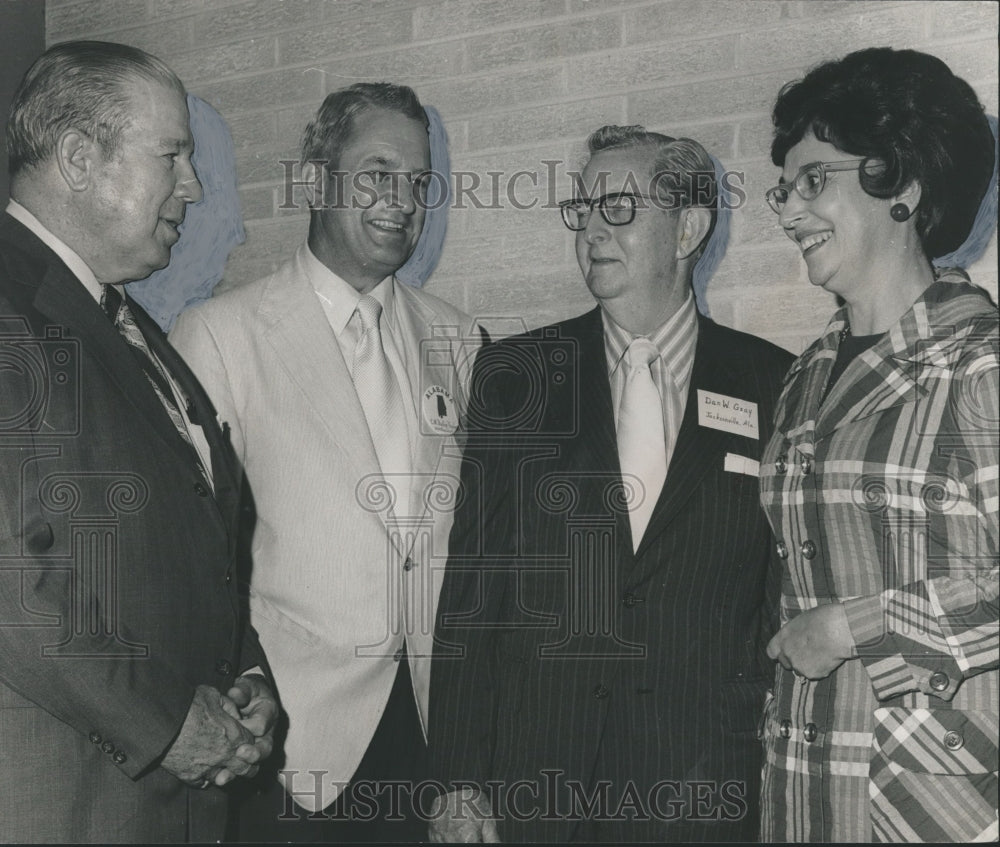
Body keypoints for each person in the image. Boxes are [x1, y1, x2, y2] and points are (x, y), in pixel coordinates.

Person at [427, 125, 793, 842]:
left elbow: (779, 594)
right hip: (537, 783)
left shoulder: (774, 382)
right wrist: (457, 778)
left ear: (688, 227)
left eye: (619, 209)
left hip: (703, 787)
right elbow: (473, 586)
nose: (592, 229)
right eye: (583, 210)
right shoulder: (518, 376)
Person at [169, 82, 485, 842]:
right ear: (314, 182)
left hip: (429, 740)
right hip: (289, 742)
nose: (402, 200)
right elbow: (191, 554)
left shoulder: (461, 340)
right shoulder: (219, 336)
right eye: (378, 173)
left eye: (417, 182)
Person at [0, 41, 276, 843]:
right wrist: (166, 724)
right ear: (79, 159)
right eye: (173, 155)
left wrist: (244, 673)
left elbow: (193, 536)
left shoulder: (121, 319)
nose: (192, 187)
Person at [758, 47, 998, 842]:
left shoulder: (981, 361)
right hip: (803, 794)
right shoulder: (805, 376)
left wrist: (853, 628)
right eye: (784, 188)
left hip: (942, 811)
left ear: (906, 184)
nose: (789, 210)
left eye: (814, 180)